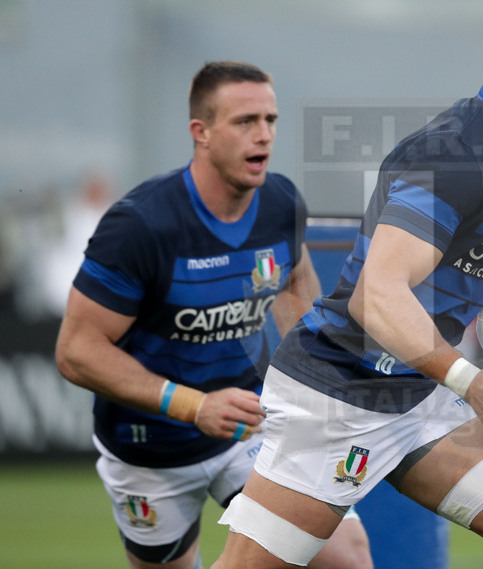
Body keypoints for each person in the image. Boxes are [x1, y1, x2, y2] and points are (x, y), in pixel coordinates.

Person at [211, 14, 483, 569]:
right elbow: (375, 297)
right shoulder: (451, 157)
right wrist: (469, 383)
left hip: (418, 397)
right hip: (337, 394)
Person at [55, 61, 372, 569]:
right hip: (150, 447)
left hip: (252, 427)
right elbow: (76, 352)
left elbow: (296, 290)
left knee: (346, 559)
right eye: (245, 121)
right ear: (200, 133)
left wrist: (320, 386)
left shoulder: (281, 202)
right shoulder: (140, 226)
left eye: (270, 120)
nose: (264, 135)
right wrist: (192, 406)